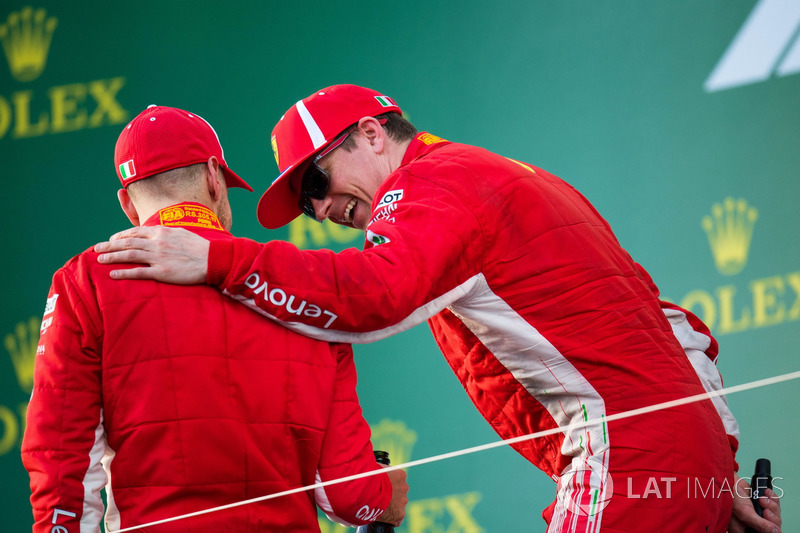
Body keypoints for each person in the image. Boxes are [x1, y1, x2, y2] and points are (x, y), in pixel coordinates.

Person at [94, 86, 781, 532]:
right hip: (674, 456)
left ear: (370, 134)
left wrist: (220, 260)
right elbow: (675, 329)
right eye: (306, 204)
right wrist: (710, 474)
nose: (323, 210)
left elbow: (374, 295)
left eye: (317, 180)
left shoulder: (429, 186)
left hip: (627, 458)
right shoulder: (502, 177)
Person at [22, 104, 408, 532]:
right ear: (213, 177)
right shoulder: (300, 282)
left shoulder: (86, 281)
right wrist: (385, 495)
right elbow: (348, 495)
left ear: (128, 204)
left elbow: (59, 463)